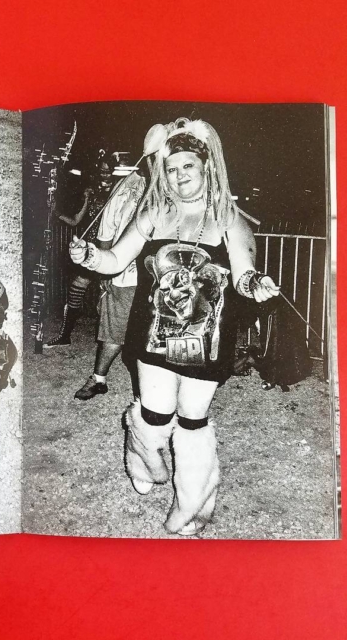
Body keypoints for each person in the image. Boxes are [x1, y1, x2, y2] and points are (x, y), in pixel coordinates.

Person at [69, 118, 280, 535]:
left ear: (206, 167)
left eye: (188, 166)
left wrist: (256, 285)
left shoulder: (229, 221)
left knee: (192, 421)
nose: (180, 175)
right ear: (162, 173)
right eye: (171, 168)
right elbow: (115, 260)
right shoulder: (152, 215)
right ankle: (142, 461)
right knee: (153, 414)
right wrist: (89, 256)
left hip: (208, 341)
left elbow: (243, 273)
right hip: (152, 337)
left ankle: (193, 508)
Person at [74, 169, 145, 400]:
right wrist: (105, 274)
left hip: (160, 277)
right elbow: (106, 232)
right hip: (126, 275)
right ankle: (98, 378)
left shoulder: (171, 180)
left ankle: (148, 393)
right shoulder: (124, 185)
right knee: (114, 330)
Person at [44, 153, 115, 348]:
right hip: (90, 251)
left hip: (111, 251)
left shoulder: (120, 193)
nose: (104, 175)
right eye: (102, 172)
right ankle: (65, 336)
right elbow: (76, 220)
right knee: (76, 289)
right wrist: (56, 211)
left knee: (109, 296)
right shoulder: (92, 194)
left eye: (108, 172)